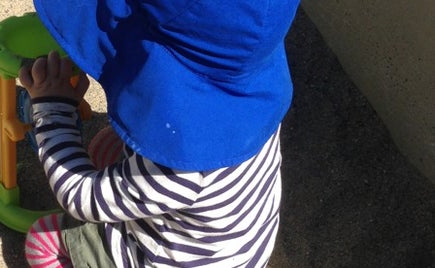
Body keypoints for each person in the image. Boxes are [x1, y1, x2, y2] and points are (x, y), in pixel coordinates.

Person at [19, 0, 300, 267]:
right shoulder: (252, 91)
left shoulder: (178, 165)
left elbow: (79, 196)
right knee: (107, 145)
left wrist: (52, 107)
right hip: (234, 252)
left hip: (164, 258)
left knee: (41, 242)